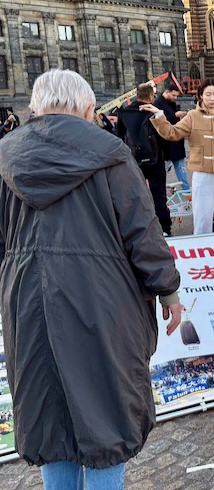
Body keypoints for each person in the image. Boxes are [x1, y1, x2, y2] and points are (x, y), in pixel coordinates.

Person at [0, 69, 183, 489]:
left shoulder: (5, 156)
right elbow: (143, 232)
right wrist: (168, 290)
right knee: (106, 413)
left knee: (50, 415)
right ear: (88, 109)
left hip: (27, 303)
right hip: (102, 301)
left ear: (35, 109)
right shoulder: (111, 154)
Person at [142, 78, 214, 235]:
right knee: (202, 217)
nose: (212, 98)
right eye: (208, 94)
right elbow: (172, 133)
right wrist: (159, 115)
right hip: (202, 170)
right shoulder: (193, 116)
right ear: (201, 95)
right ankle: (204, 250)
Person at [117, 81, 172, 236]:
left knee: (134, 195)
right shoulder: (154, 112)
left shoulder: (125, 113)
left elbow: (119, 138)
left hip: (133, 160)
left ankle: (137, 229)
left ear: (136, 96)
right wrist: (166, 157)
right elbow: (164, 136)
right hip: (155, 159)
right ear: (151, 96)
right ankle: (164, 228)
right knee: (158, 194)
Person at [154, 80, 190, 190]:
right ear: (167, 92)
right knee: (163, 169)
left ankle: (186, 188)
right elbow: (160, 122)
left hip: (176, 141)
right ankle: (159, 188)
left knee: (180, 167)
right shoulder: (158, 103)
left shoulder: (170, 102)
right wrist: (175, 115)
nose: (175, 98)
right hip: (166, 143)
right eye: (174, 95)